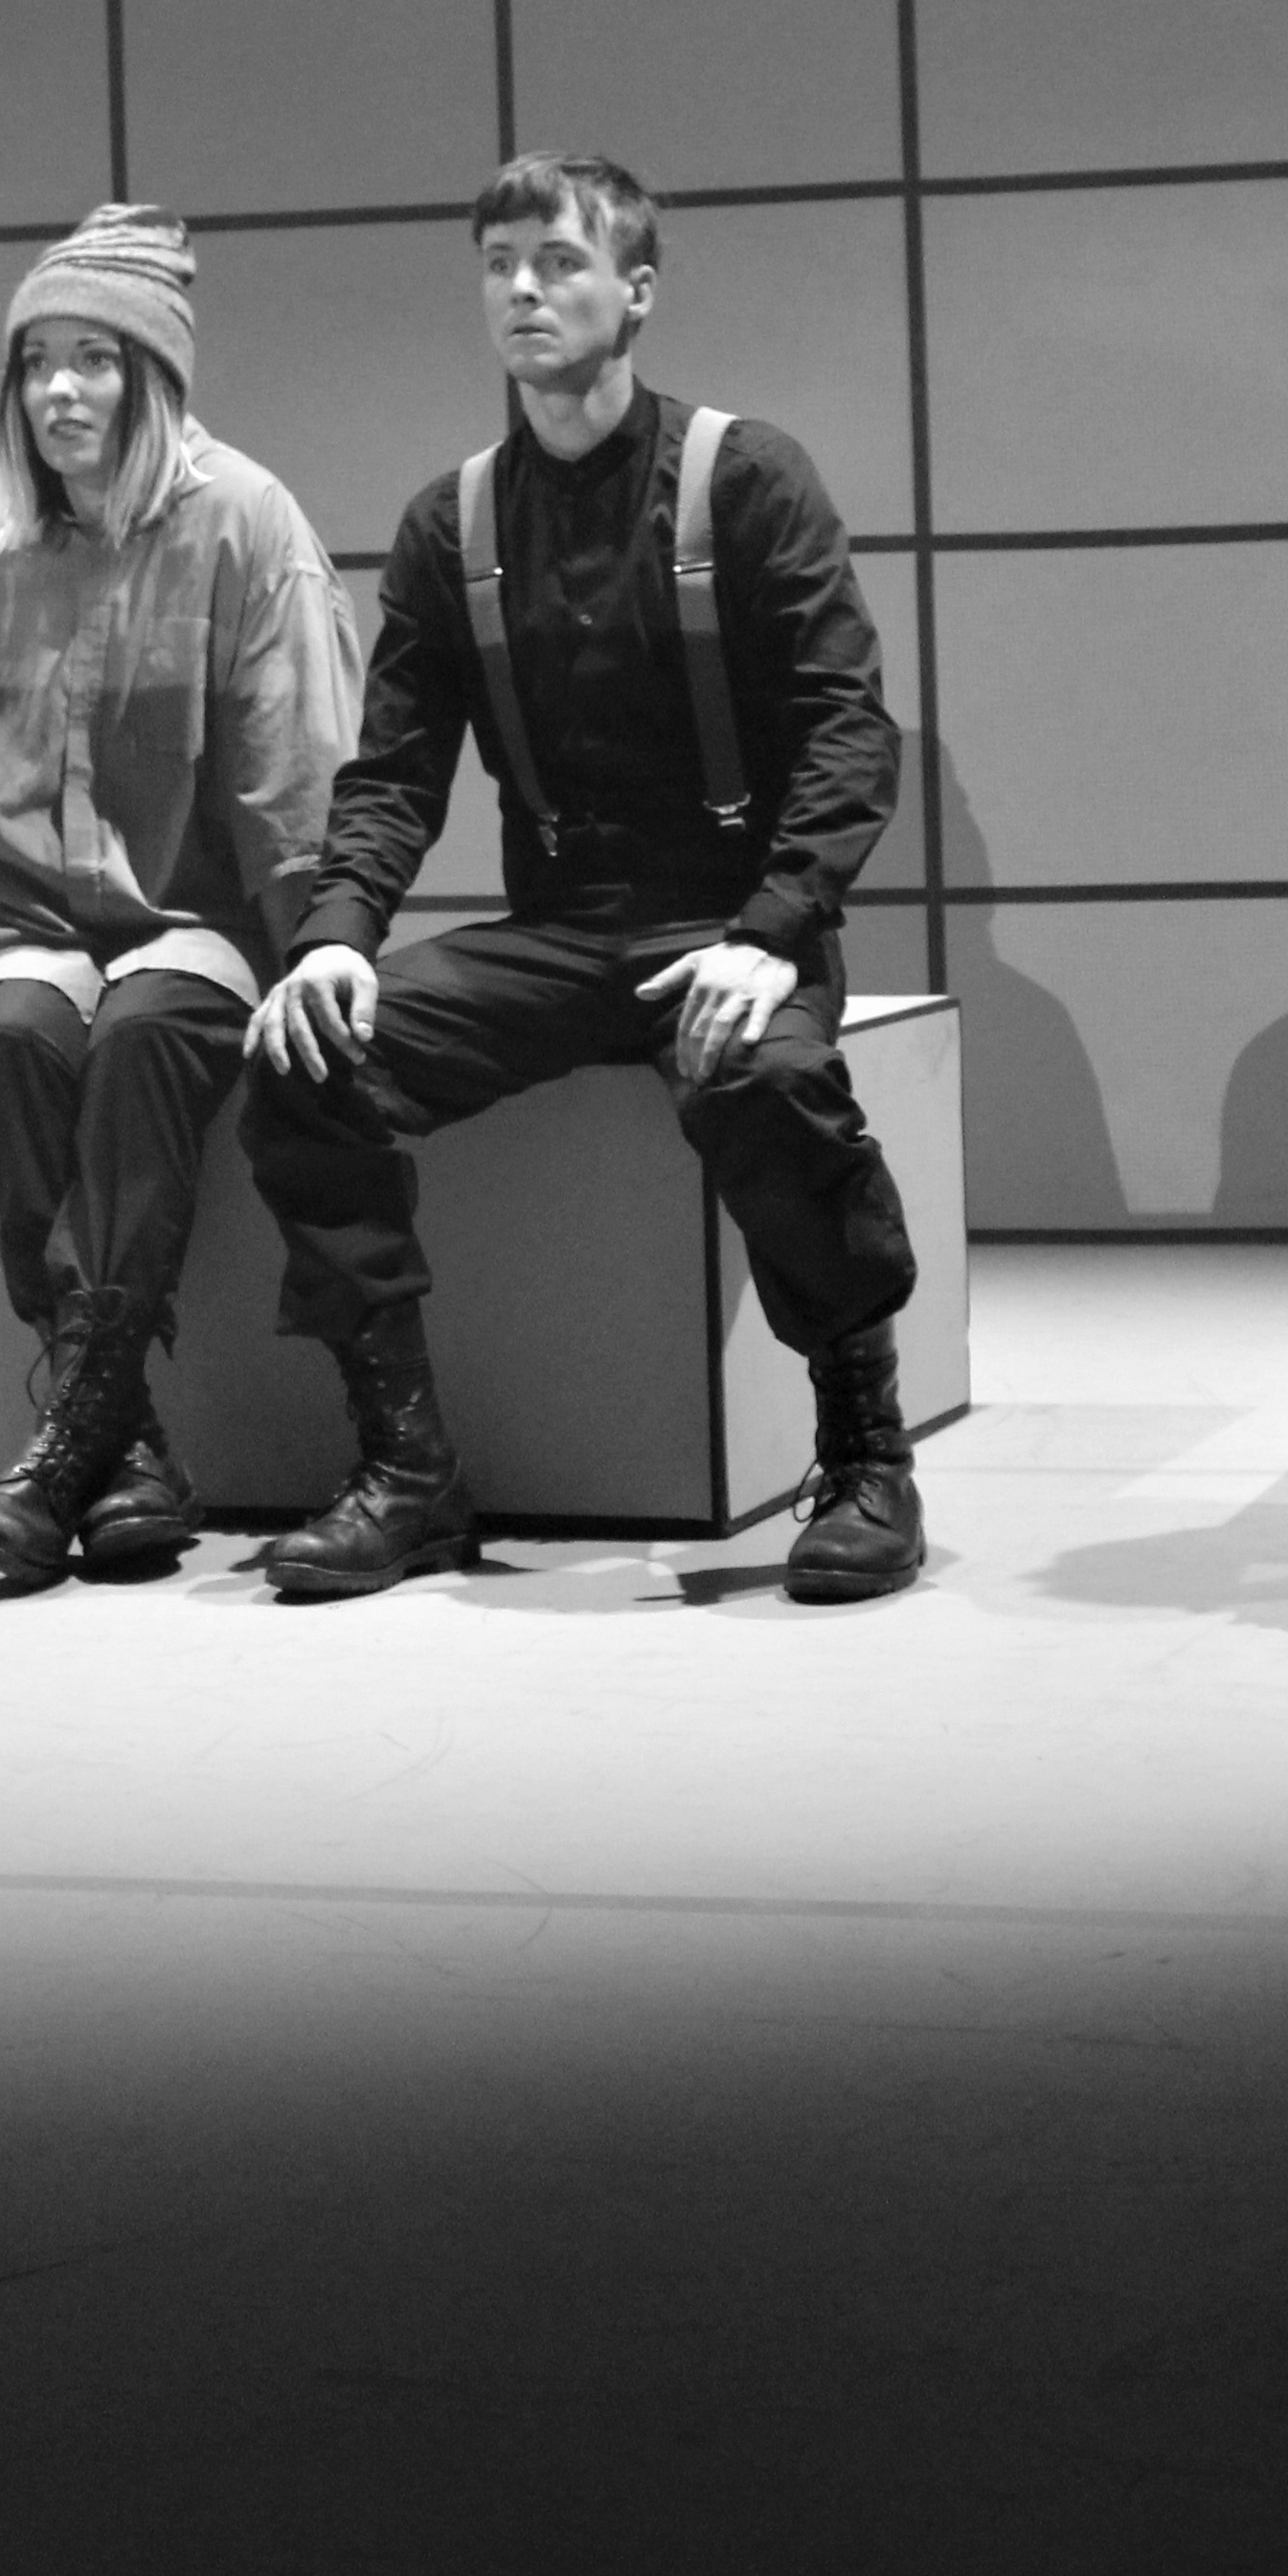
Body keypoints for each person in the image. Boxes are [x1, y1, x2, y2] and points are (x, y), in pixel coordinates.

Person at [238, 152, 926, 1605]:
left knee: (764, 1079)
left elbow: (847, 730)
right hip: (562, 932)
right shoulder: (452, 523)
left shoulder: (746, 477)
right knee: (308, 1061)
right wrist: (337, 934)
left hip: (732, 922)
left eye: (557, 262)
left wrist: (773, 930)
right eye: (499, 266)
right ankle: (409, 1472)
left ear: (638, 291)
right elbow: (395, 771)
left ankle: (867, 1454)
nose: (523, 291)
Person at [0, 208, 356, 1586]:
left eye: (94, 360)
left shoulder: (244, 515)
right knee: (9, 1037)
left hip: (199, 920)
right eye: (35, 362)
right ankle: (121, 1443)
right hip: (32, 924)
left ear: (153, 376)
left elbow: (292, 772)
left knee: (142, 1036)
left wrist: (319, 960)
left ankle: (74, 1437)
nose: (58, 390)